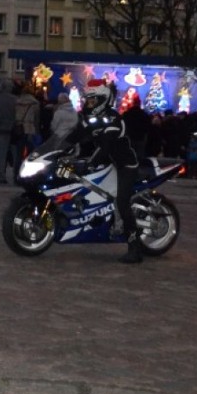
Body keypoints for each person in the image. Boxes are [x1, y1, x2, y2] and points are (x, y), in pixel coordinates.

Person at [71, 79, 143, 265]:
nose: (88, 103)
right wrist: (59, 149)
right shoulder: (90, 118)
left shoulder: (113, 119)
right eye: (87, 100)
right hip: (110, 164)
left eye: (92, 100)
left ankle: (134, 248)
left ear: (102, 100)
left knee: (122, 201)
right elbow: (76, 136)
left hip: (126, 165)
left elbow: (105, 146)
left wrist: (90, 163)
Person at [0, 80, 18, 184]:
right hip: (14, 129)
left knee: (1, 153)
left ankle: (1, 176)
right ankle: (16, 175)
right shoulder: (15, 99)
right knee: (15, 154)